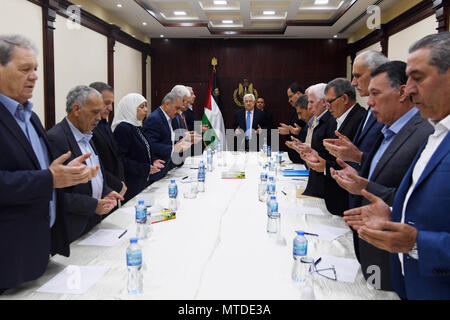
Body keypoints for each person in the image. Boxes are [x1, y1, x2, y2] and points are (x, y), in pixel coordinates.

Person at [343, 32, 450, 299]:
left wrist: (418, 243)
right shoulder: (436, 133)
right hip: (408, 283)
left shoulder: (424, 131)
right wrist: (393, 213)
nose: (410, 89)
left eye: (418, 78)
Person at [0, 35, 97, 292]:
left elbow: (42, 172)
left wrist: (66, 173)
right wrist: (50, 178)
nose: (33, 76)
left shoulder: (30, 117)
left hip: (39, 253)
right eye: (24, 69)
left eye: (35, 69)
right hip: (8, 260)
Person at [331, 61, 433, 291]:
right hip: (370, 244)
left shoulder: (426, 132)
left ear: (401, 92)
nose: (369, 101)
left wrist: (365, 186)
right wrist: (358, 168)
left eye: (375, 93)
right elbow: (380, 169)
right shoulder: (387, 128)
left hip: (396, 252)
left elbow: (414, 199)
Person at [47, 85, 124, 244]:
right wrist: (92, 205)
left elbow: (96, 175)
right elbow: (55, 194)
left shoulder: (88, 133)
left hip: (94, 222)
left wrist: (106, 191)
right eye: (95, 112)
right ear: (76, 109)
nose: (99, 117)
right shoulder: (56, 139)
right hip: (72, 230)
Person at [297, 79, 366, 216]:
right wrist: (315, 154)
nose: (328, 107)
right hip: (333, 194)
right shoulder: (340, 118)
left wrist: (324, 166)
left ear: (344, 98)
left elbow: (352, 164)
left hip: (345, 198)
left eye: (330, 102)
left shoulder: (358, 118)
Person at [112, 93, 166, 203]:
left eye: (146, 106)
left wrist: (153, 161)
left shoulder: (137, 126)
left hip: (143, 181)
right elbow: (121, 160)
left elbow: (143, 151)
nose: (146, 110)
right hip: (131, 184)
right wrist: (145, 168)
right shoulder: (123, 128)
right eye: (142, 107)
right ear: (130, 108)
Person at [288, 83, 336, 199]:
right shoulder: (318, 121)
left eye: (311, 102)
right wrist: (304, 148)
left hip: (324, 186)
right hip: (315, 180)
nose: (309, 106)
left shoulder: (330, 121)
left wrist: (309, 151)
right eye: (308, 102)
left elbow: (328, 156)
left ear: (324, 102)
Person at [143, 92, 201, 170]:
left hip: (170, 166)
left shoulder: (171, 116)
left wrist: (184, 138)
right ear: (167, 104)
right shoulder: (154, 118)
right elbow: (151, 145)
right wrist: (174, 149)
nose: (179, 112)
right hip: (158, 168)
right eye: (177, 108)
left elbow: (169, 138)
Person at [89, 82, 127, 202]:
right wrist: (117, 184)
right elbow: (96, 165)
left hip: (114, 190)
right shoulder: (89, 129)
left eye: (111, 103)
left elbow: (116, 156)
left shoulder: (105, 124)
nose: (110, 108)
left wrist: (121, 181)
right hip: (101, 192)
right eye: (106, 103)